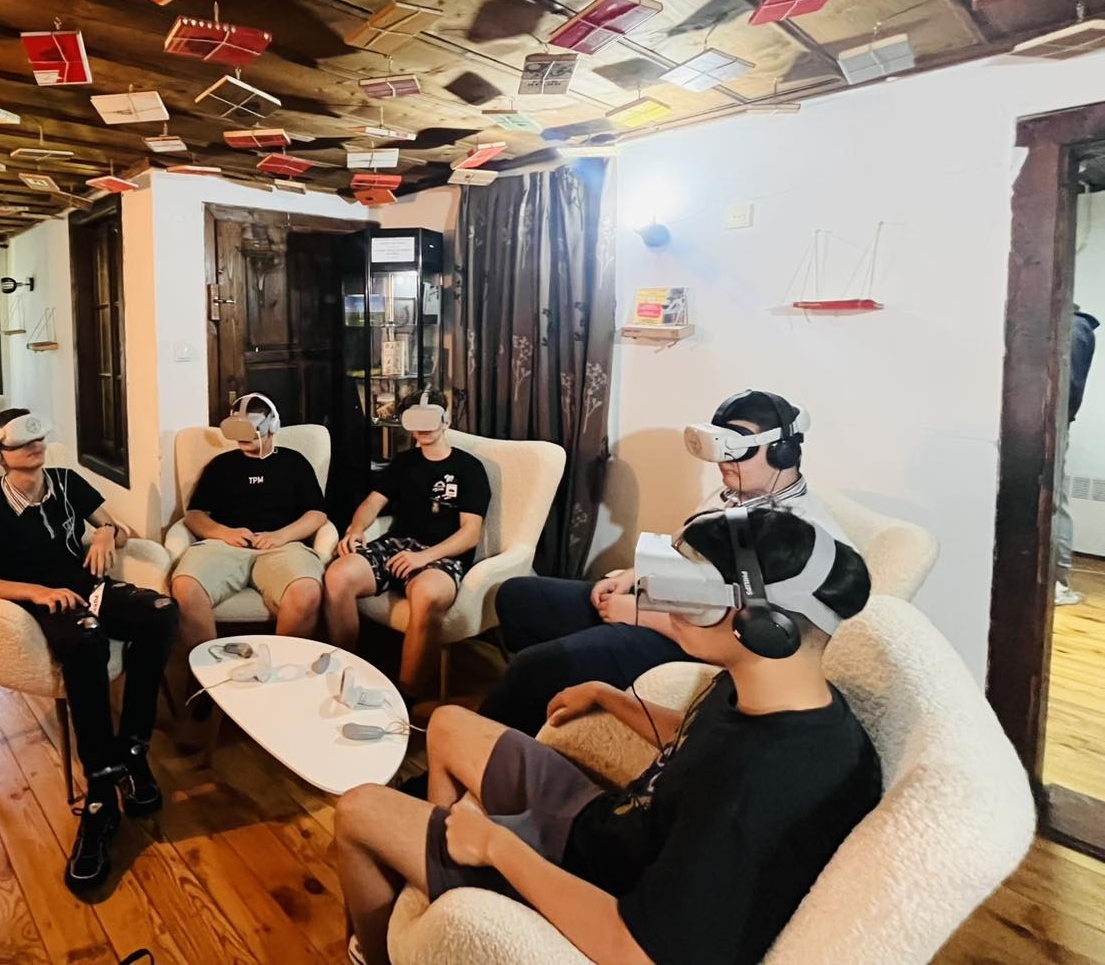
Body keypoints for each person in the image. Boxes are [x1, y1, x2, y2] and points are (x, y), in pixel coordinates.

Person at [336, 507, 878, 965]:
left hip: (590, 894)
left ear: (760, 623)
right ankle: (434, 900)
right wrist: (610, 697)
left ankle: (388, 946)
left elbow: (635, 951)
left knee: (358, 810)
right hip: (600, 827)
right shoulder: (772, 689)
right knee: (449, 724)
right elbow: (699, 740)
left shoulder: (761, 791)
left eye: (695, 595)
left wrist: (496, 847)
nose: (666, 604)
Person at [481, 389, 846, 736]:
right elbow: (683, 548)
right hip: (662, 602)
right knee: (517, 596)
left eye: (738, 450)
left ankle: (494, 745)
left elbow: (756, 635)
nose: (724, 462)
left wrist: (639, 614)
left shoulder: (799, 537)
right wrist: (631, 575)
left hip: (696, 643)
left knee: (537, 666)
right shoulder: (734, 495)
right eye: (720, 447)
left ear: (782, 451)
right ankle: (539, 714)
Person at [0, 407, 178, 897]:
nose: (34, 447)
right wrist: (34, 591)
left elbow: (118, 529)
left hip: (88, 586)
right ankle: (101, 790)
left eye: (38, 438)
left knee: (161, 611)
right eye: (20, 442)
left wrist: (106, 532)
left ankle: (133, 750)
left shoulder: (68, 482)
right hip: (42, 604)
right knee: (87, 639)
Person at [324, 391, 491, 697]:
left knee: (427, 593)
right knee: (337, 575)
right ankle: (347, 672)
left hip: (443, 554)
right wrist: (355, 529)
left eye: (431, 418)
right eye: (416, 419)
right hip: (398, 544)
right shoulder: (404, 463)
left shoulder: (470, 468)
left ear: (446, 421)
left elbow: (470, 534)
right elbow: (372, 503)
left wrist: (423, 557)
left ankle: (407, 697)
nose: (423, 427)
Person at [171, 393, 329, 653]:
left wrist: (281, 535)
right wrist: (223, 533)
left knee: (307, 592)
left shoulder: (294, 462)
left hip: (282, 546)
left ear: (272, 426)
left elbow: (317, 514)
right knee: (185, 588)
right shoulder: (221, 465)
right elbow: (194, 514)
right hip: (224, 545)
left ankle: (281, 667)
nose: (243, 438)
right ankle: (207, 672)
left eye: (251, 430)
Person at [1056, 306, 1097, 606]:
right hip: (1048, 424)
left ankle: (1057, 582)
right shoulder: (1072, 327)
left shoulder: (1073, 328)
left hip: (1049, 425)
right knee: (1052, 500)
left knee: (1052, 501)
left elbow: (1065, 388)